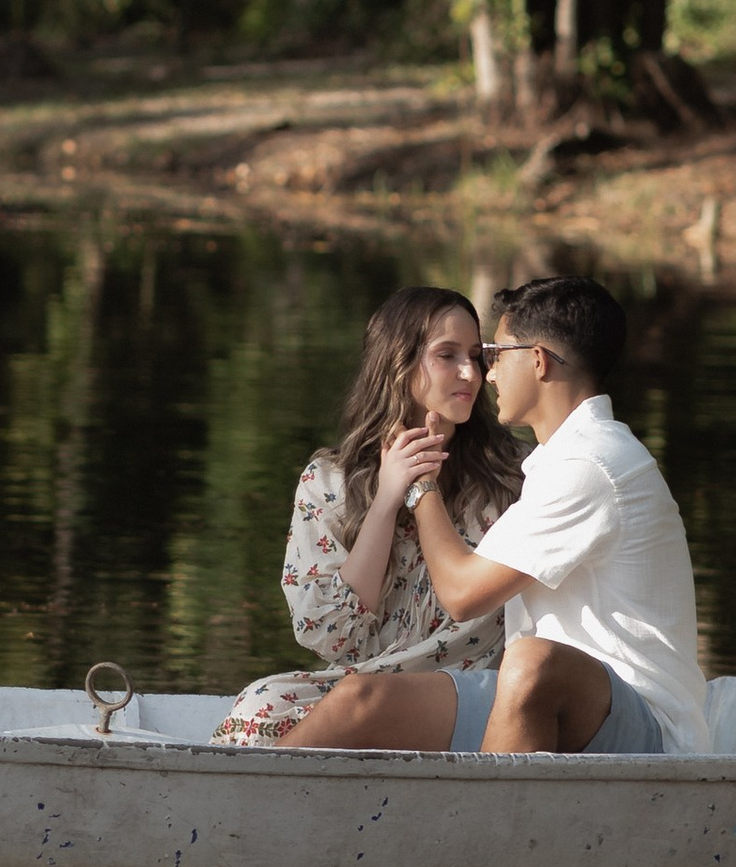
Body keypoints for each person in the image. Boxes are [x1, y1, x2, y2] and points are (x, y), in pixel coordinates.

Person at [267, 273, 706, 757]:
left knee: (531, 662)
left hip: (632, 720)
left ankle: (481, 823)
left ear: (537, 362)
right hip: (539, 699)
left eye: (492, 355)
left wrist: (421, 485)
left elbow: (461, 593)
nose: (484, 374)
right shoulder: (558, 461)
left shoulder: (589, 465)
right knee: (358, 700)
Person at [214, 287, 525, 749]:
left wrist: (426, 489)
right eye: (448, 355)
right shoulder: (329, 481)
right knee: (260, 708)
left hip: (475, 688)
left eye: (476, 356)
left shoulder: (513, 473)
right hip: (367, 680)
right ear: (397, 363)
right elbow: (334, 638)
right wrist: (385, 500)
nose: (471, 373)